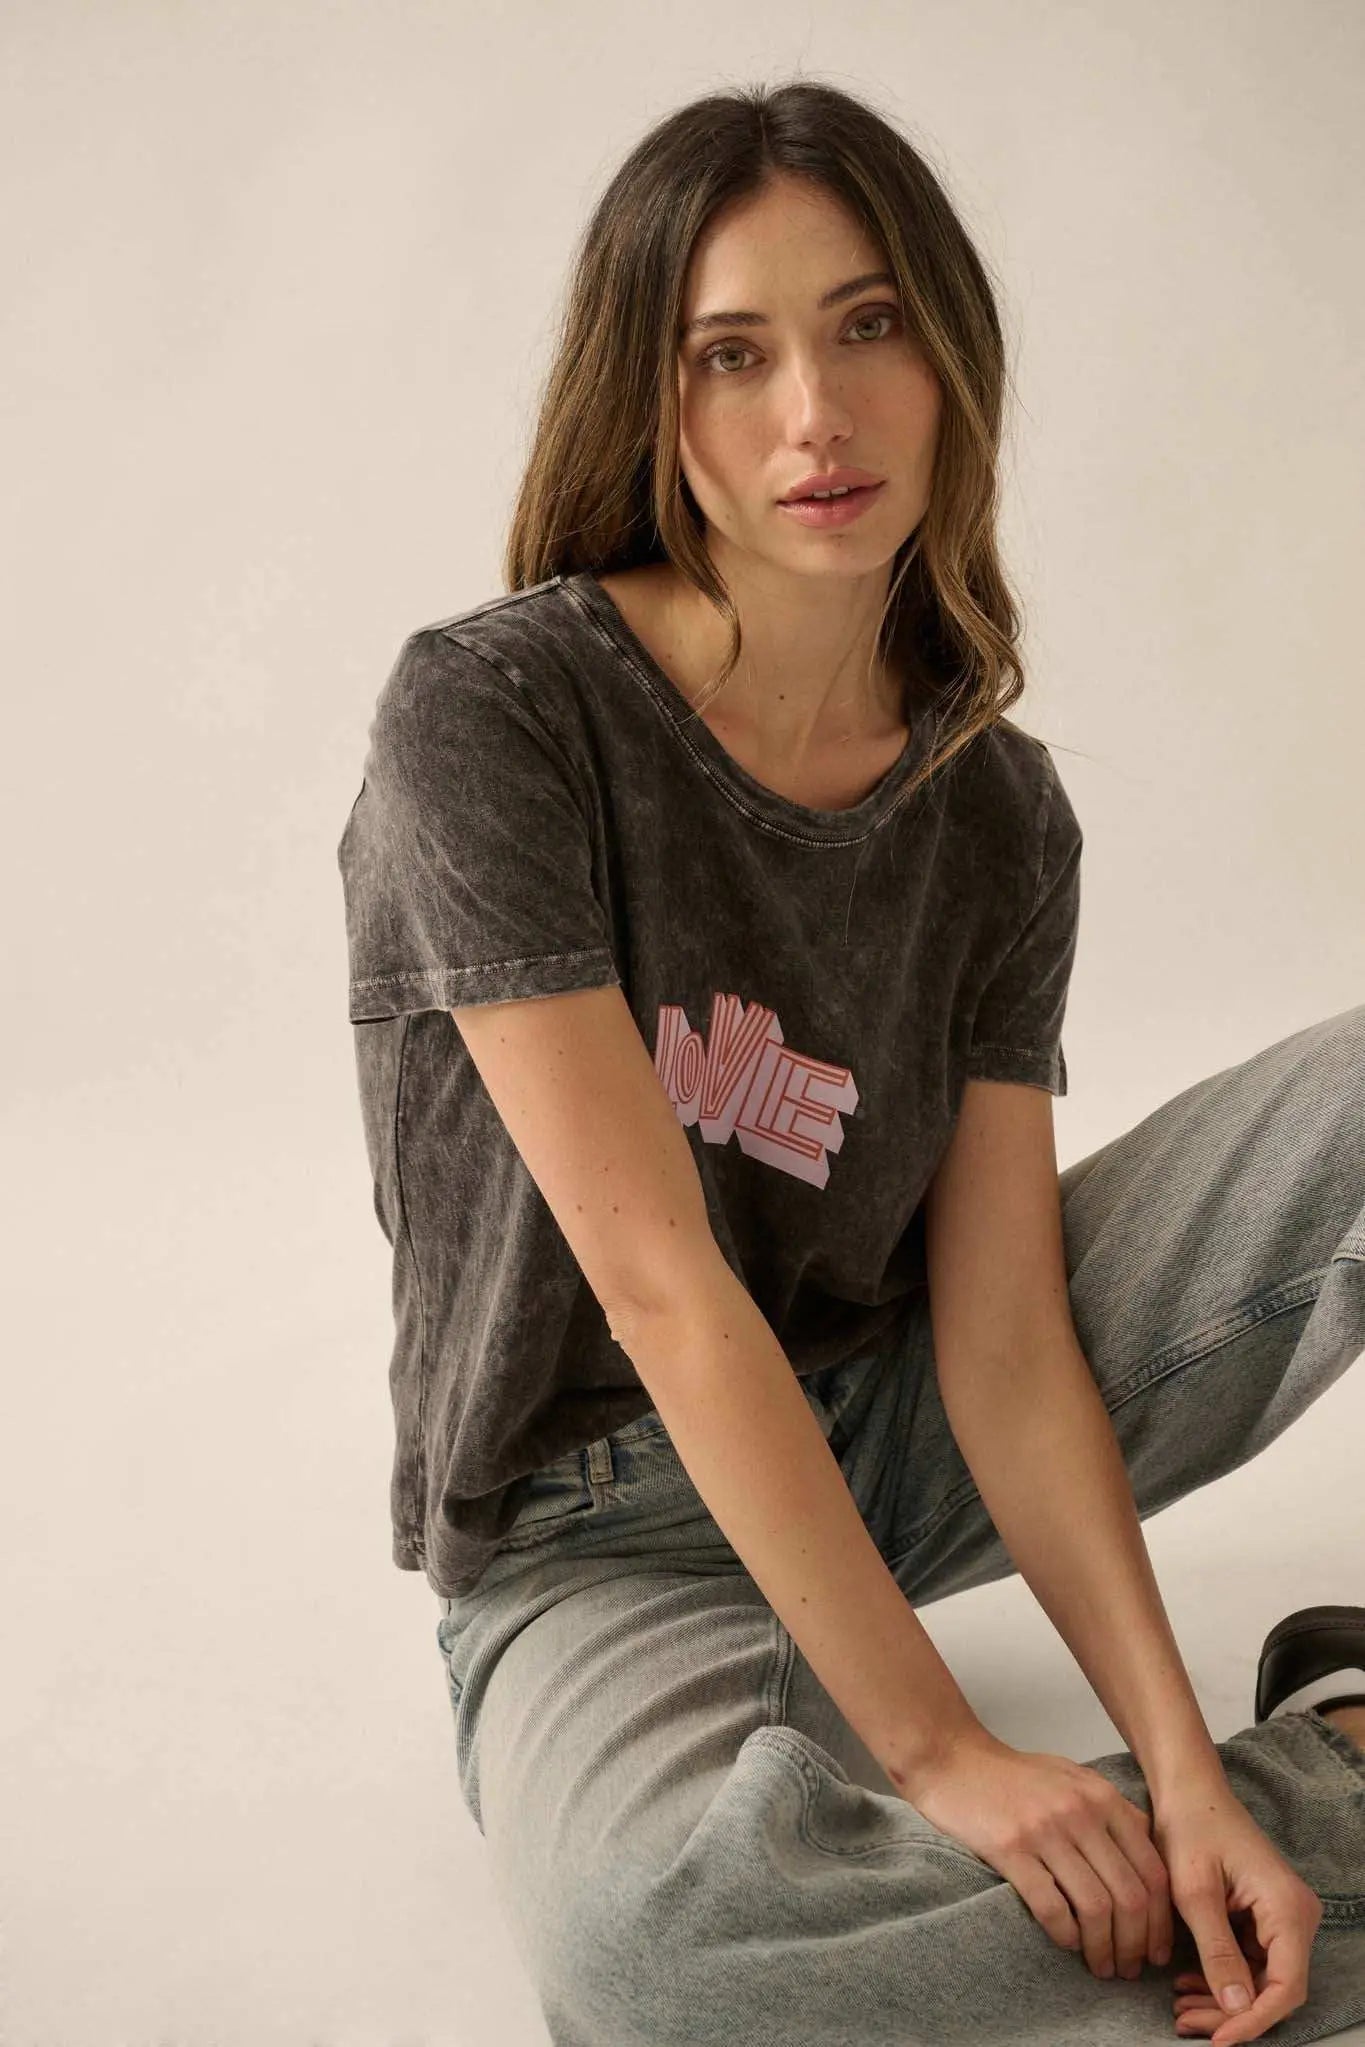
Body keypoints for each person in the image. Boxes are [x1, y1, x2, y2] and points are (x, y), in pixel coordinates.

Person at [336, 78, 1365, 2047]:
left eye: (866, 324)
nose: (813, 413)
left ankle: (1214, 1831)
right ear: (649, 398)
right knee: (667, 1964)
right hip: (590, 1534)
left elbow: (1003, 1341)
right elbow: (656, 1284)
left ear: (947, 352)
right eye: (729, 354)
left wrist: (1167, 1759)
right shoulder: (496, 714)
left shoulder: (995, 811)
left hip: (892, 1427)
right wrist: (942, 1749)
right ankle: (1331, 1787)